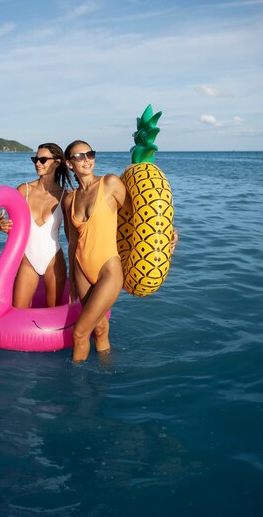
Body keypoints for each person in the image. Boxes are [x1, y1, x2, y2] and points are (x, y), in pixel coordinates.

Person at [63, 140, 178, 363]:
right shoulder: (70, 199)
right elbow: (72, 241)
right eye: (79, 156)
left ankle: (78, 390)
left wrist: (166, 237)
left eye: (90, 154)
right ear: (69, 164)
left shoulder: (110, 184)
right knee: (99, 328)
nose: (86, 159)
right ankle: (106, 372)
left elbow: (143, 216)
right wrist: (72, 278)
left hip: (108, 268)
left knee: (79, 332)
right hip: (80, 268)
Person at [0, 143, 73, 308]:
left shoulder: (65, 196)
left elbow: (71, 234)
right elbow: (10, 226)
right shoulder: (23, 190)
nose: (38, 163)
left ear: (57, 162)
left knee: (53, 312)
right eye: (35, 159)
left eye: (43, 159)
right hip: (27, 261)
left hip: (54, 261)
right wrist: (0, 225)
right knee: (18, 310)